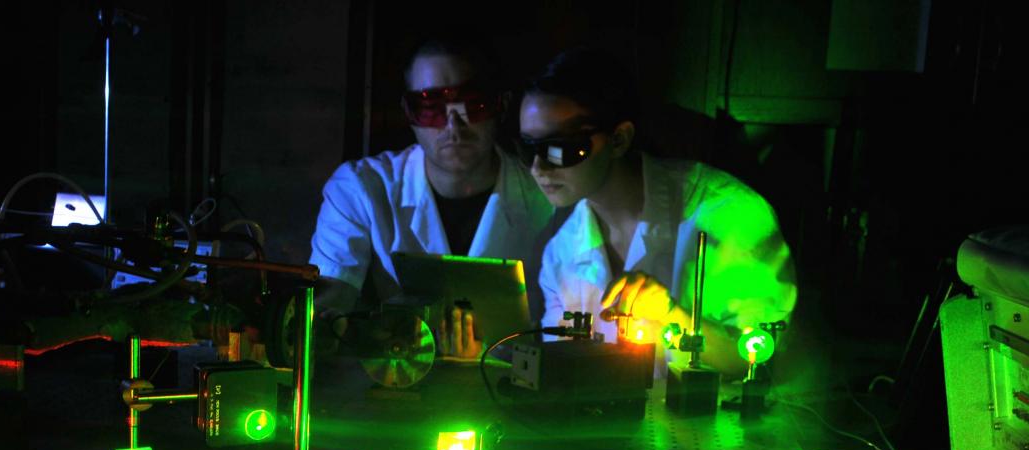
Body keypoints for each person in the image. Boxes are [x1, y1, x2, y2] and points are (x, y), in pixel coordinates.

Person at [519, 48, 796, 376]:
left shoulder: (730, 216)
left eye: (560, 148)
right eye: (528, 148)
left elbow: (766, 363)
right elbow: (562, 373)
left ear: (619, 139)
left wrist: (672, 315)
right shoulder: (561, 253)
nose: (539, 167)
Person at [309, 37, 553, 358]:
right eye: (430, 108)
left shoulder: (547, 195)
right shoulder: (361, 187)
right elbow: (332, 294)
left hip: (515, 385)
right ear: (409, 113)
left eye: (473, 104)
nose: (454, 125)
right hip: (399, 381)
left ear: (501, 105)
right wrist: (334, 325)